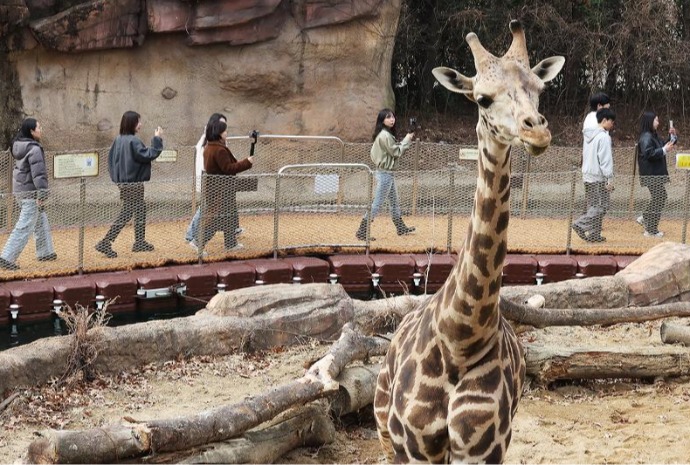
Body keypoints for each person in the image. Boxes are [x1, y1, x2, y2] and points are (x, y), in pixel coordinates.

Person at [95, 111, 163, 258]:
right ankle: (106, 242)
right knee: (127, 213)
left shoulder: (118, 140)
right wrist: (157, 139)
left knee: (139, 210)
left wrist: (117, 180)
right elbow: (149, 154)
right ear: (132, 123)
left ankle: (139, 242)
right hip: (134, 184)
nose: (141, 124)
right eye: (138, 121)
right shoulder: (134, 141)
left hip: (124, 184)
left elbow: (110, 162)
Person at [0, 118, 57, 270]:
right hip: (30, 192)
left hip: (21, 191)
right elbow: (39, 174)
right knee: (25, 225)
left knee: (39, 218)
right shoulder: (34, 149)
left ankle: (46, 252)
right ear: (32, 131)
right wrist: (42, 194)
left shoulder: (19, 145)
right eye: (39, 127)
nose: (41, 129)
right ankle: (7, 257)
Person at [184, 113, 243, 250]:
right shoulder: (211, 146)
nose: (226, 130)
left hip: (218, 184)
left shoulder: (214, 145)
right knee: (210, 214)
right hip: (213, 184)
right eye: (223, 126)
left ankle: (231, 240)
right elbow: (226, 167)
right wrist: (246, 163)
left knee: (222, 212)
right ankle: (193, 237)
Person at [355, 108, 415, 241]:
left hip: (385, 172)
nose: (392, 119)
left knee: (394, 201)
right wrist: (407, 138)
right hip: (385, 174)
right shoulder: (385, 136)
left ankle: (400, 227)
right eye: (388, 117)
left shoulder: (383, 134)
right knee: (377, 203)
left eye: (393, 116)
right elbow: (396, 152)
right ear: (382, 120)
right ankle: (362, 231)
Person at [197, 119, 253, 251]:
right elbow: (228, 168)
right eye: (225, 131)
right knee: (217, 217)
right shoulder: (219, 150)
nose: (226, 133)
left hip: (218, 188)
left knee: (227, 216)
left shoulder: (209, 147)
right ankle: (198, 241)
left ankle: (230, 243)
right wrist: (247, 162)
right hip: (222, 189)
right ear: (219, 133)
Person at [572, 108, 616, 243]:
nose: (612, 124)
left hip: (587, 175)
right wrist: (609, 178)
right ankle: (580, 224)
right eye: (611, 121)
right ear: (604, 120)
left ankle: (594, 234)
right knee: (601, 206)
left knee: (593, 205)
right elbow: (605, 159)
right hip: (598, 176)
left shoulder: (588, 136)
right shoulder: (603, 137)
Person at [636, 111, 676, 238]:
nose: (658, 123)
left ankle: (645, 218)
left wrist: (673, 137)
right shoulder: (646, 137)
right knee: (660, 196)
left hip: (654, 173)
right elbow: (649, 153)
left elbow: (665, 145)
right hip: (650, 174)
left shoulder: (652, 135)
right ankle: (651, 229)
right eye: (656, 120)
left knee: (660, 196)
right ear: (650, 121)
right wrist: (664, 150)